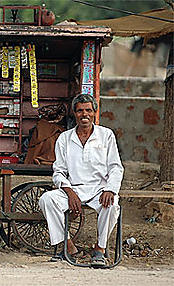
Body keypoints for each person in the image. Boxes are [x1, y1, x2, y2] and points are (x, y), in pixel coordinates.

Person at [38, 93, 124, 266]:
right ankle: (68, 247)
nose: (84, 115)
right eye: (80, 111)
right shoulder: (64, 138)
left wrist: (110, 189)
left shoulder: (106, 135)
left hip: (99, 189)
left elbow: (116, 167)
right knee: (47, 200)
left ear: (94, 113)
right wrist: (69, 192)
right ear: (74, 113)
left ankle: (99, 250)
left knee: (112, 205)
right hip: (74, 188)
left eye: (88, 111)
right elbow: (59, 171)